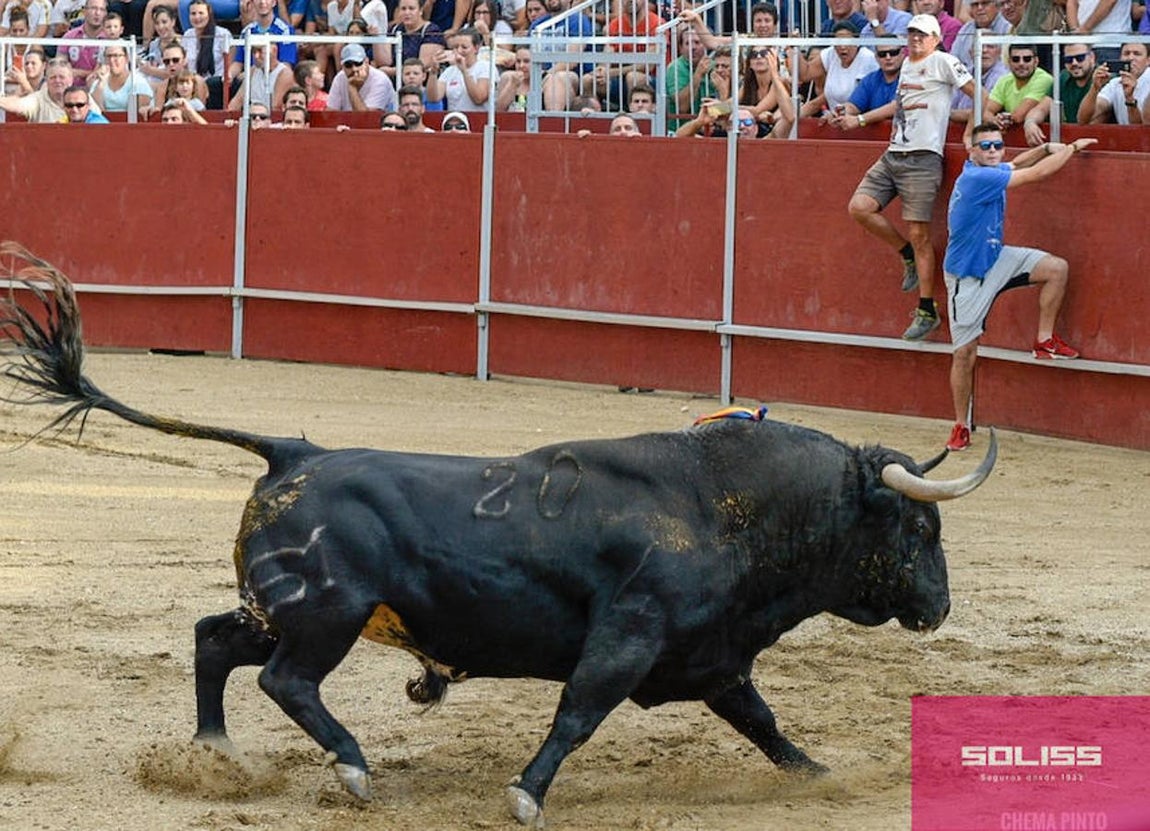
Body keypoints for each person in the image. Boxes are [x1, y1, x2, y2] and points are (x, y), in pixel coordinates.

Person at [942, 124, 1096, 451]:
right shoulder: (977, 178)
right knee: (965, 353)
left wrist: (1045, 148)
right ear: (972, 150)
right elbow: (1037, 174)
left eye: (998, 145)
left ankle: (1044, 341)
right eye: (986, 146)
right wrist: (1071, 148)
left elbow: (1018, 163)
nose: (993, 151)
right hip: (968, 275)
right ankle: (960, 425)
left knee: (1056, 268)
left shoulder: (990, 169)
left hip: (996, 256)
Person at [847, 14, 980, 341]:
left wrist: (971, 132)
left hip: (924, 157)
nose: (915, 39)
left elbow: (981, 95)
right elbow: (900, 105)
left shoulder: (944, 61)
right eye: (912, 34)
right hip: (895, 151)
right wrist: (862, 120)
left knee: (920, 233)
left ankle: (926, 308)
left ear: (936, 38)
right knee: (859, 207)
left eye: (922, 34)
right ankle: (905, 254)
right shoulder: (907, 64)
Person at [802, 22, 879, 119]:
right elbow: (804, 74)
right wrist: (792, 48)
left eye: (847, 42)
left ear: (857, 42)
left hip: (863, 120)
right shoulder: (830, 54)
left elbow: (871, 100)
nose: (842, 47)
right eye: (838, 42)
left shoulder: (869, 58)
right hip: (836, 120)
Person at [1020, 44, 1095, 142]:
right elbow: (1042, 108)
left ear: (1092, 57)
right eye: (1068, 59)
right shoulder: (1063, 77)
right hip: (1069, 139)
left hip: (1094, 140)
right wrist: (1030, 122)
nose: (1074, 63)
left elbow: (1094, 120)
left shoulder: (1103, 77)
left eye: (1080, 58)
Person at [834, 39, 904, 130]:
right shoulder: (870, 79)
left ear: (902, 54)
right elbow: (853, 106)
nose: (888, 57)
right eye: (882, 54)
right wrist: (841, 112)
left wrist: (859, 120)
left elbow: (896, 106)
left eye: (893, 53)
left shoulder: (910, 76)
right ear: (876, 57)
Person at [983, 42, 1053, 132]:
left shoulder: (1044, 79)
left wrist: (1001, 119)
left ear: (1036, 61)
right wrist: (994, 121)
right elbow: (985, 112)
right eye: (1016, 59)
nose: (1021, 63)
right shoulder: (1004, 80)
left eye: (1027, 59)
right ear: (1009, 62)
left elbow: (1019, 116)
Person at [1077, 40, 1150, 124]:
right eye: (1126, 53)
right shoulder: (1115, 83)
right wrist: (1094, 88)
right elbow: (1083, 119)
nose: (1130, 58)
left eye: (1137, 54)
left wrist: (1130, 99)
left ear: (1148, 60)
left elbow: (1143, 127)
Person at [426, 26, 490, 111]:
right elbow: (433, 98)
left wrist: (464, 71)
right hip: (454, 117)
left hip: (478, 117)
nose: (459, 51)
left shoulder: (485, 67)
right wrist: (433, 73)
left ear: (476, 48)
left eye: (464, 47)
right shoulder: (450, 71)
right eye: (456, 47)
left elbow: (479, 99)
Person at [182, 0, 231, 108]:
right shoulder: (187, 35)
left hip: (216, 83)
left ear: (209, 14)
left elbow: (230, 62)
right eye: (193, 14)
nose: (197, 17)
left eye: (201, 13)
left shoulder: (223, 34)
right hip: (193, 83)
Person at [0, 57, 82, 121]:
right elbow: (18, 105)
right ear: (47, 80)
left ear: (71, 80)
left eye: (62, 77)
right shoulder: (38, 99)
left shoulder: (82, 98)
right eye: (53, 77)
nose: (57, 80)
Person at [385, 0, 447, 80]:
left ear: (420, 10)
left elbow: (422, 65)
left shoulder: (431, 31)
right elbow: (385, 61)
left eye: (411, 8)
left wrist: (390, 71)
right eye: (403, 9)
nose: (407, 13)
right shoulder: (394, 30)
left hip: (421, 82)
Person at [327, 42, 398, 110]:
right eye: (348, 65)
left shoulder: (380, 80)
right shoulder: (339, 78)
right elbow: (331, 112)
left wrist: (352, 88)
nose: (354, 69)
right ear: (343, 66)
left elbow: (367, 116)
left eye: (358, 63)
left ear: (366, 62)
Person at [90, 42, 155, 116]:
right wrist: (101, 84)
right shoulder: (98, 83)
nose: (111, 60)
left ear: (126, 58)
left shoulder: (138, 82)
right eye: (108, 56)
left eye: (116, 56)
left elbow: (141, 114)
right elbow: (95, 111)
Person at [949, 41, 1008, 121]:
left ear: (999, 52)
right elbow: (950, 104)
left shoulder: (1003, 76)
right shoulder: (964, 72)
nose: (984, 50)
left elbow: (983, 112)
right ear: (970, 52)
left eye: (990, 46)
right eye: (979, 46)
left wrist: (949, 114)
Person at [667, 25, 717, 115]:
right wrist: (698, 75)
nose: (692, 47)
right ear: (681, 48)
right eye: (687, 43)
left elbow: (726, 107)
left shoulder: (717, 67)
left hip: (711, 120)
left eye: (697, 42)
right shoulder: (675, 67)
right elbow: (682, 107)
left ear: (707, 45)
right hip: (683, 123)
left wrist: (724, 93)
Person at [228, 41, 293, 110]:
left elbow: (276, 107)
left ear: (274, 50)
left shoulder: (284, 73)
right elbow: (237, 100)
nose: (256, 56)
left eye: (260, 51)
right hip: (253, 113)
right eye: (254, 52)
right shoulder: (253, 71)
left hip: (268, 114)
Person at [950, 0, 1009, 73]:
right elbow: (953, 61)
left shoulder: (1007, 28)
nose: (980, 8)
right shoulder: (966, 30)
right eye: (975, 5)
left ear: (997, 6)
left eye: (985, 3)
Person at [59, 0, 109, 86]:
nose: (97, 13)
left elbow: (107, 72)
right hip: (71, 89)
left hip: (100, 89)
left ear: (106, 14)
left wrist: (80, 73)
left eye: (102, 9)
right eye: (93, 8)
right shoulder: (69, 36)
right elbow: (59, 66)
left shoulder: (110, 40)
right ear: (84, 11)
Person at [1067, 0, 1132, 62]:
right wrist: (1075, 31)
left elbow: (1109, 1)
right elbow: (1072, 3)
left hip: (1111, 43)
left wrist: (1084, 30)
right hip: (1081, 46)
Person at [152, 40, 208, 108]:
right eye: (167, 61)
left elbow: (201, 110)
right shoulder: (163, 86)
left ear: (184, 60)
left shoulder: (196, 80)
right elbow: (158, 110)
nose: (171, 64)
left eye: (175, 60)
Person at [139, 4, 179, 84]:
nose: (160, 27)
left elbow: (177, 74)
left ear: (173, 21)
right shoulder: (153, 44)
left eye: (164, 22)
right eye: (157, 23)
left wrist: (150, 70)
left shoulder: (182, 42)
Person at [495, 46, 532, 110]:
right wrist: (512, 85)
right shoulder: (507, 77)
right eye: (518, 61)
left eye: (526, 61)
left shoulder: (545, 80)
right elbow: (499, 110)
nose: (521, 66)